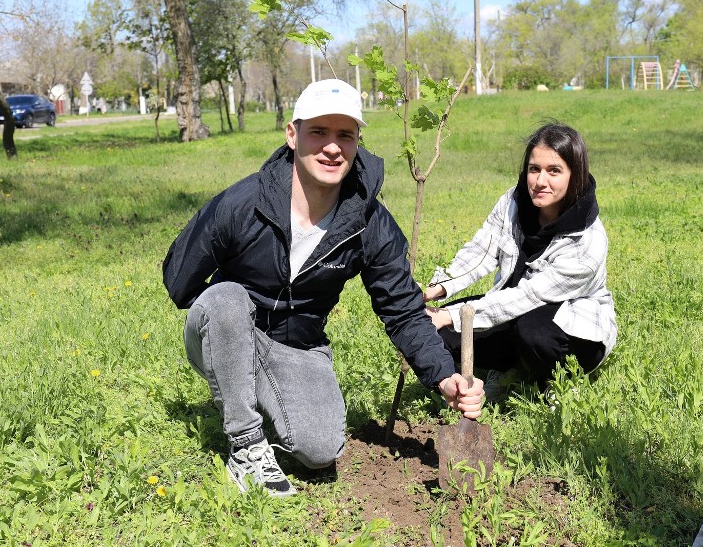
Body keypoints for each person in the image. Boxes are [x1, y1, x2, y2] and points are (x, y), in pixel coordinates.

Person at [163, 79, 483, 497]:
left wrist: (444, 376)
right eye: (318, 132)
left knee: (320, 450)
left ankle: (252, 389)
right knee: (227, 298)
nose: (332, 147)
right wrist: (224, 330)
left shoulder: (368, 223)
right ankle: (244, 445)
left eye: (345, 135)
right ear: (292, 134)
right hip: (228, 325)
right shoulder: (244, 203)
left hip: (298, 346)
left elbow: (403, 311)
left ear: (357, 142)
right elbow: (179, 281)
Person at [422, 122, 617, 401]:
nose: (540, 181)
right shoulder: (513, 202)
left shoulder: (587, 240)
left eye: (554, 171)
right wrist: (436, 289)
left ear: (575, 175)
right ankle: (510, 368)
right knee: (436, 329)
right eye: (534, 169)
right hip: (514, 308)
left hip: (571, 331)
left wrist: (449, 315)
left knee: (531, 331)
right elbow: (482, 250)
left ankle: (560, 383)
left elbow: (528, 296)